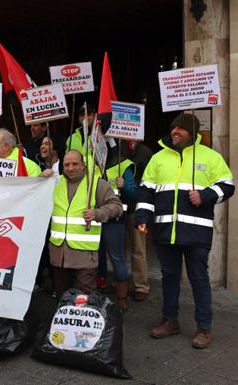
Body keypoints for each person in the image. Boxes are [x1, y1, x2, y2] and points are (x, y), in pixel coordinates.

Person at [136, 113, 234, 349]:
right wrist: (142, 217)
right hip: (165, 230)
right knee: (169, 278)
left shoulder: (210, 157)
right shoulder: (158, 158)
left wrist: (205, 195)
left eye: (180, 129)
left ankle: (204, 328)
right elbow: (146, 191)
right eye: (173, 128)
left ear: (192, 132)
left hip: (196, 232)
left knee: (199, 279)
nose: (175, 132)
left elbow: (227, 185)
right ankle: (170, 321)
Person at [48, 150, 123, 297]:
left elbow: (117, 207)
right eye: (67, 164)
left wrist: (98, 213)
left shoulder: (97, 184)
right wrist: (40, 178)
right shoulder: (55, 183)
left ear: (83, 165)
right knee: (62, 298)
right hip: (59, 255)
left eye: (75, 164)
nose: (70, 168)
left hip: (84, 256)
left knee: (83, 299)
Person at [96, 145, 138, 311]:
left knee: (117, 257)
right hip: (94, 218)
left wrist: (125, 186)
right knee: (95, 257)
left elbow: (134, 194)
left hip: (114, 219)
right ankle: (99, 288)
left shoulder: (123, 164)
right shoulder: (89, 165)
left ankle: (122, 296)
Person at [126, 139, 153, 302]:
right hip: (117, 205)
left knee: (139, 247)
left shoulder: (145, 152)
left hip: (138, 208)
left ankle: (141, 285)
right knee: (115, 247)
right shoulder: (116, 148)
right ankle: (120, 281)